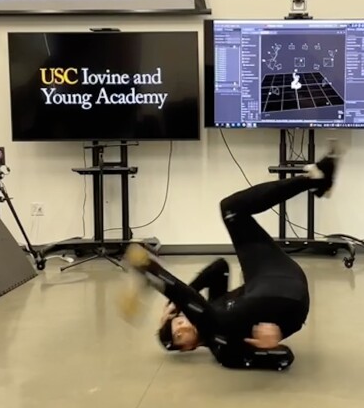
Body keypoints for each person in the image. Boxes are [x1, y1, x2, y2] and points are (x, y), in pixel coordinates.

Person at [119, 143, 340, 371]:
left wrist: (177, 303)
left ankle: (314, 179)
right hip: (288, 303)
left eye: (180, 321)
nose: (184, 326)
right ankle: (150, 271)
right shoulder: (224, 350)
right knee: (216, 324)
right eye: (179, 335)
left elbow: (220, 268)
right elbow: (284, 358)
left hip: (273, 275)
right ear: (187, 348)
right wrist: (273, 343)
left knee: (231, 209)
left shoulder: (212, 306)